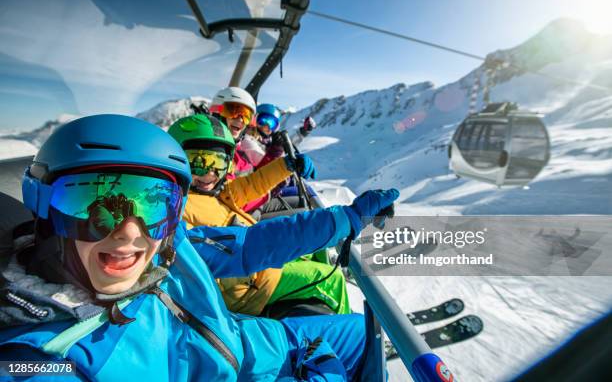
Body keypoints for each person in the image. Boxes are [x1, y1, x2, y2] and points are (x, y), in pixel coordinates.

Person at [0, 114, 399, 381]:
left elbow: (249, 244)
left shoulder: (170, 247)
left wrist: (346, 219)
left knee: (370, 335)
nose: (128, 232)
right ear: (43, 205)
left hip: (263, 341)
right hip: (244, 370)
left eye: (155, 203)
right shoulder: (45, 358)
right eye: (91, 205)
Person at [168, 114, 349, 316]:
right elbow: (203, 268)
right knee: (332, 281)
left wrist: (287, 166)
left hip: (259, 266)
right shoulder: (179, 210)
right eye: (198, 162)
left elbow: (253, 184)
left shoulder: (216, 193)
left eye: (217, 163)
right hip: (251, 287)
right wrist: (268, 256)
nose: (209, 174)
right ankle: (360, 341)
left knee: (312, 251)